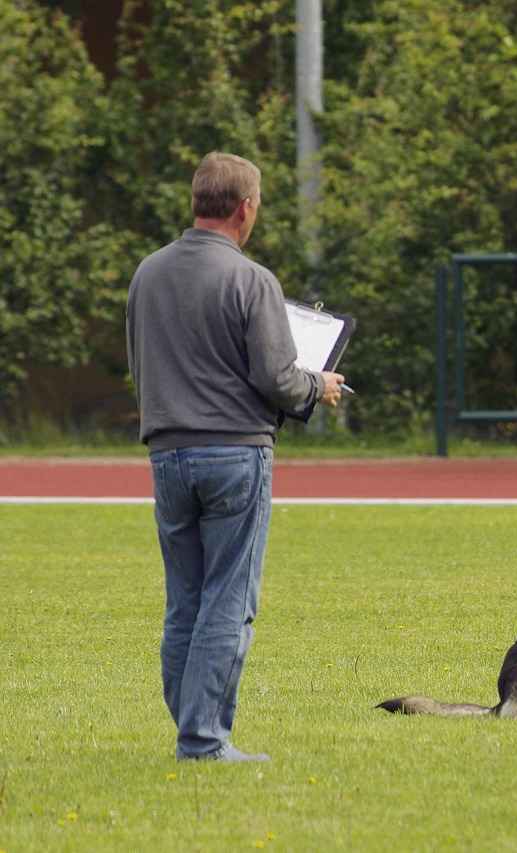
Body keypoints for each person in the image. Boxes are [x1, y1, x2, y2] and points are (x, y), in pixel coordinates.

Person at [126, 151, 344, 762]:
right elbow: (276, 377)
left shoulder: (148, 272)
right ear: (246, 208)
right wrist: (316, 387)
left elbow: (140, 360)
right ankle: (202, 739)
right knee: (229, 599)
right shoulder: (251, 280)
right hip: (234, 454)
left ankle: (191, 725)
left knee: (186, 600)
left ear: (197, 201)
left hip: (166, 452)